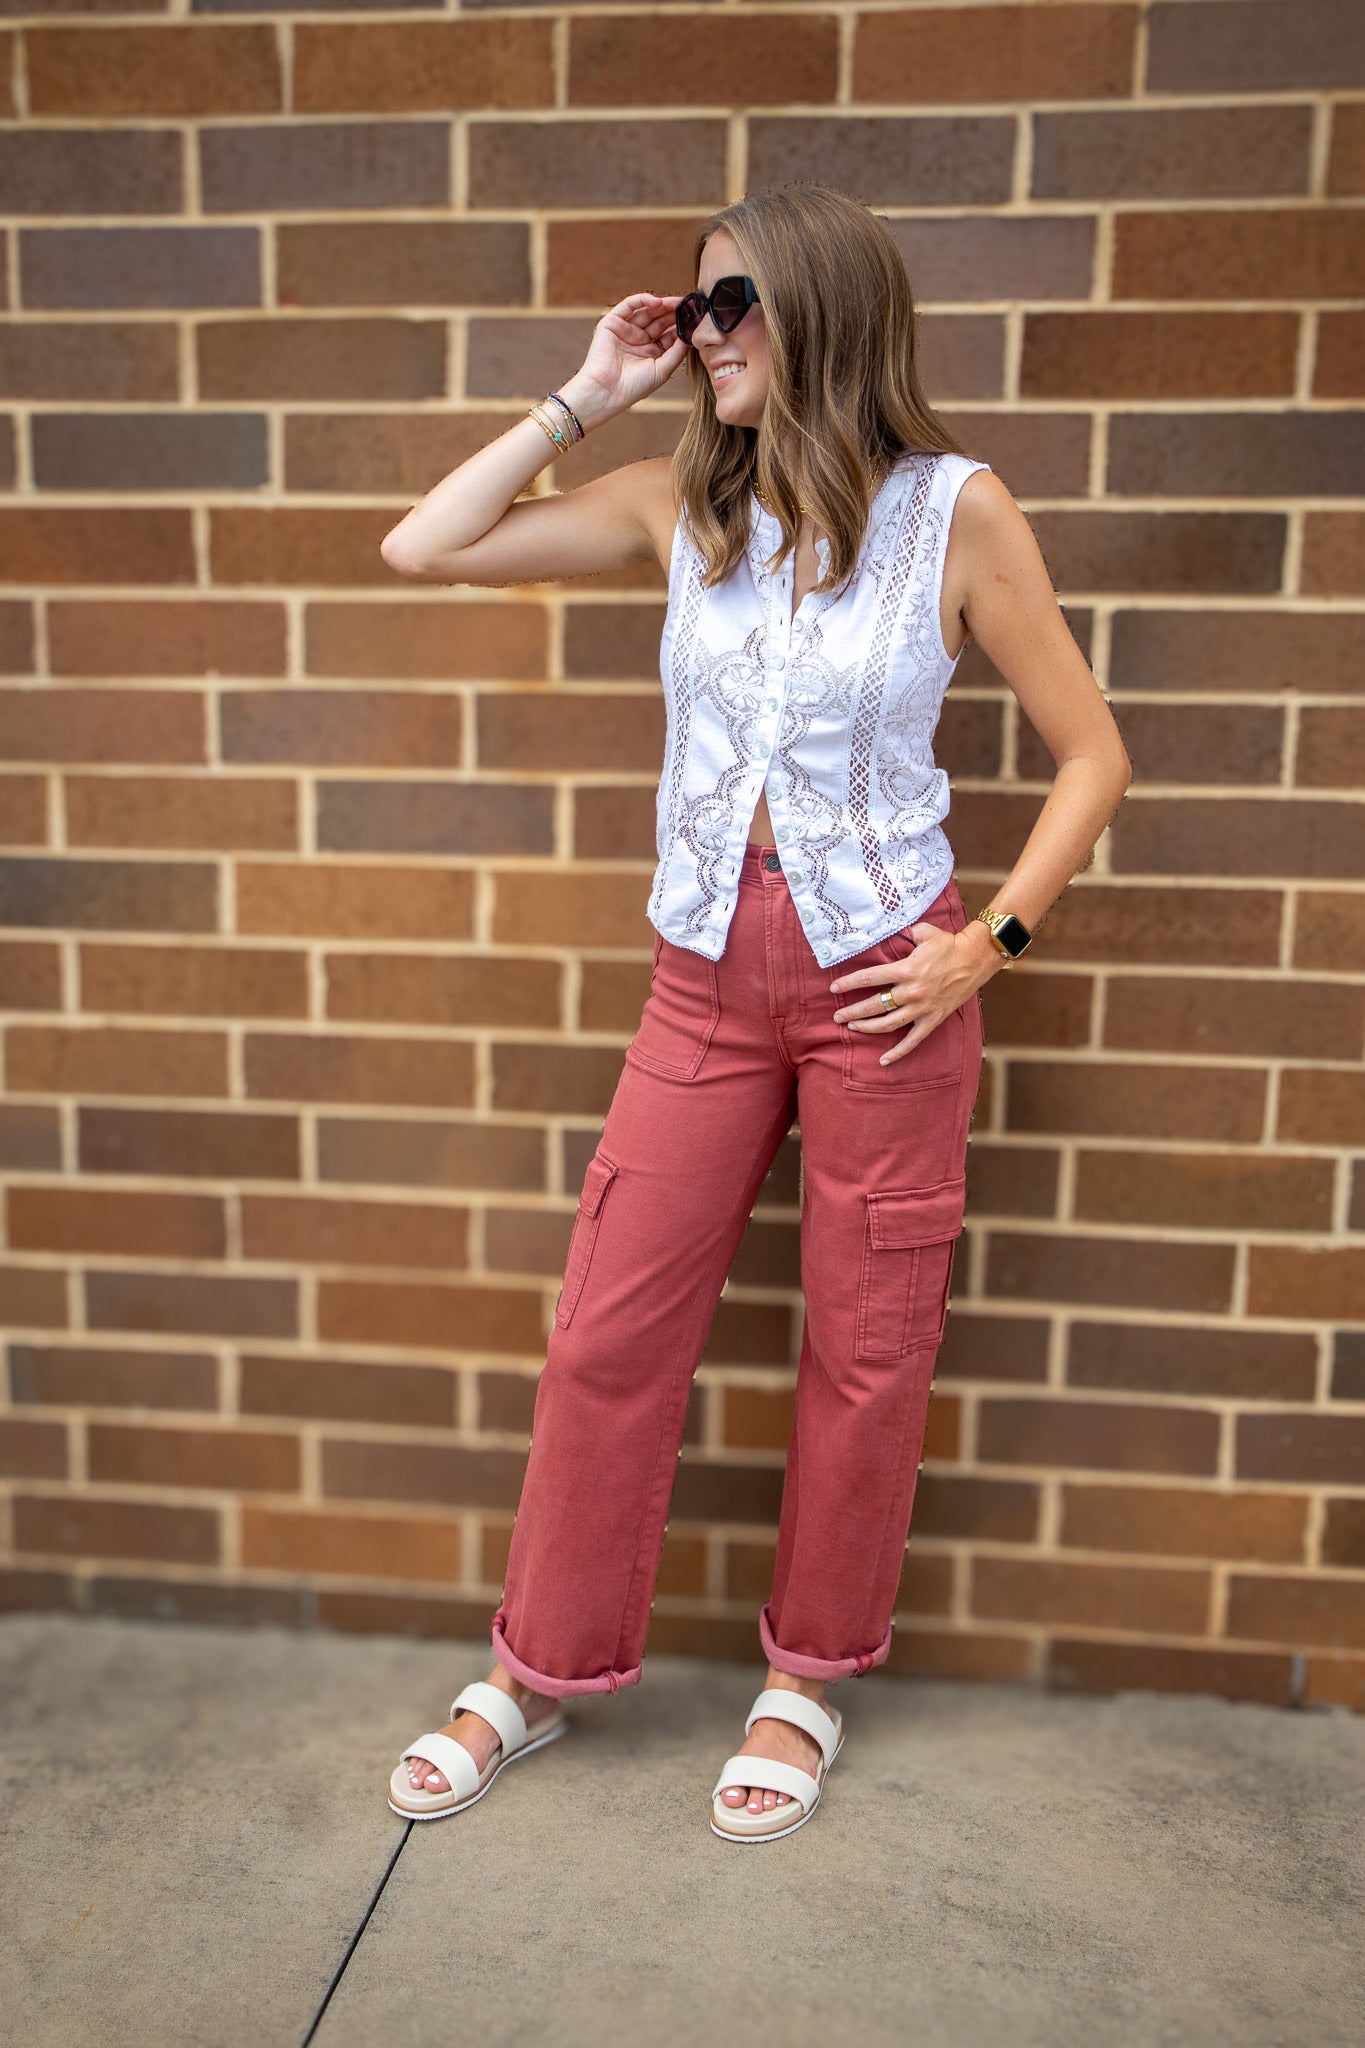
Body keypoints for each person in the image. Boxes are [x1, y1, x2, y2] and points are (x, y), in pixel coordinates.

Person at [379, 183, 1131, 1843]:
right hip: (704, 978)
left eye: (733, 308)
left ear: (823, 315)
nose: (704, 334)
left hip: (887, 986)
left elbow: (1092, 756)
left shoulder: (954, 515)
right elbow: (425, 544)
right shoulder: (678, 503)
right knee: (606, 1328)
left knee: (866, 1348)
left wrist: (985, 944)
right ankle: (534, 1669)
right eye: (694, 305)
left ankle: (803, 1682)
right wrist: (591, 394)